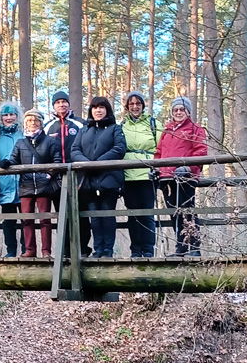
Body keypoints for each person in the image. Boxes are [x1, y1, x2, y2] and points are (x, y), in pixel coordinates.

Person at [0, 109, 61, 257]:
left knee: (45, 220)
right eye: (29, 121)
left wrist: (49, 174)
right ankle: (30, 250)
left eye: (36, 120)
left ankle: (46, 251)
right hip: (26, 186)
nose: (32, 123)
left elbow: (57, 161)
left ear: (41, 122)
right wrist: (6, 163)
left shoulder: (50, 141)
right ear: (25, 123)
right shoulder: (21, 142)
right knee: (27, 220)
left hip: (44, 186)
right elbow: (14, 160)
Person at [71, 97, 126, 258]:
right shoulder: (84, 130)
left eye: (102, 107)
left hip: (109, 178)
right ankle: (98, 249)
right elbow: (74, 150)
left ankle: (108, 251)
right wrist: (87, 164)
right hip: (88, 180)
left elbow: (120, 148)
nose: (98, 110)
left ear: (107, 110)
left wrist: (98, 163)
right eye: (95, 107)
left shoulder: (115, 129)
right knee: (94, 217)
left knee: (107, 215)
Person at [155, 96, 208, 257]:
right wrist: (156, 169)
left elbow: (201, 152)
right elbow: (159, 153)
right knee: (174, 212)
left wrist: (187, 167)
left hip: (185, 178)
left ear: (188, 112)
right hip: (167, 179)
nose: (178, 112)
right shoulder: (167, 131)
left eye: (182, 109)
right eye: (175, 109)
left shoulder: (195, 129)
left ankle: (194, 248)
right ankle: (181, 248)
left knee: (187, 211)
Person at [44, 91, 92, 257]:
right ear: (53, 106)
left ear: (69, 104)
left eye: (64, 101)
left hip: (79, 176)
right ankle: (65, 250)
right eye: (58, 102)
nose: (61, 105)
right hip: (57, 179)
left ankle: (83, 249)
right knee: (62, 215)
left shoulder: (80, 124)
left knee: (81, 214)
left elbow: (88, 147)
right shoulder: (48, 126)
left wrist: (84, 172)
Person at [120, 91, 163, 258]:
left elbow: (161, 148)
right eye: (131, 104)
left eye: (138, 104)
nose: (135, 107)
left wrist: (158, 168)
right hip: (128, 176)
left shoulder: (154, 124)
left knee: (147, 214)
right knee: (132, 214)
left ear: (143, 106)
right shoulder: (122, 126)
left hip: (147, 175)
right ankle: (135, 250)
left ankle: (148, 250)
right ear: (127, 107)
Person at [0, 102, 24, 257]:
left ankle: (27, 250)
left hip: (24, 182)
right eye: (5, 115)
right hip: (5, 183)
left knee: (26, 219)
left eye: (12, 114)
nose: (9, 118)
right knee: (8, 220)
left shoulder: (23, 133)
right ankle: (11, 251)